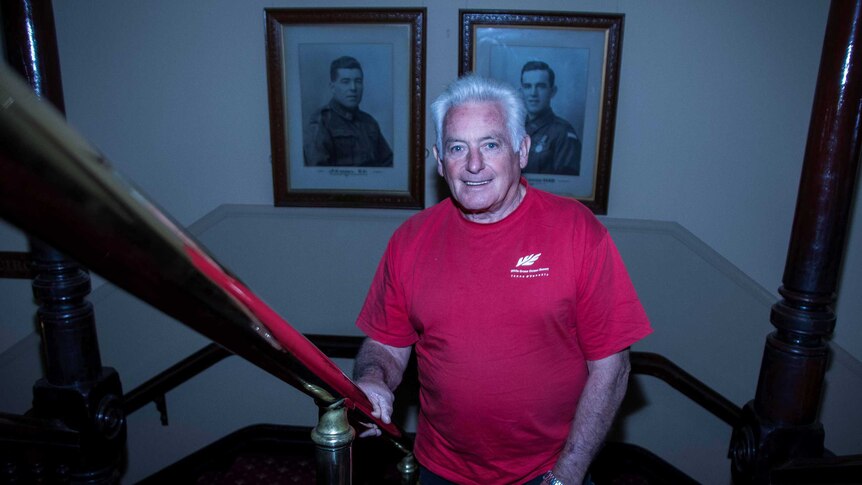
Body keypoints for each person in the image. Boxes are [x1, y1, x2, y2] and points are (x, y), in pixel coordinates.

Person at [353, 74, 651, 485]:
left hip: (549, 470)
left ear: (522, 150)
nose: (474, 164)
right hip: (440, 469)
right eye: (458, 148)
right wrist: (372, 379)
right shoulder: (410, 240)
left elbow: (611, 369)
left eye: (490, 144)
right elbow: (385, 343)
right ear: (440, 161)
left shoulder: (577, 231)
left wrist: (567, 475)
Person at [303, 56, 393, 167]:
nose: (353, 88)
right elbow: (318, 175)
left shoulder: (370, 122)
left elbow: (389, 164)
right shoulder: (321, 122)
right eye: (345, 82)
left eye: (358, 81)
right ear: (332, 87)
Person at [520, 61, 582, 176]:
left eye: (541, 86)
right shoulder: (514, 128)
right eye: (528, 86)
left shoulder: (563, 133)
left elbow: (566, 185)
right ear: (521, 91)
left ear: (552, 92)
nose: (533, 93)